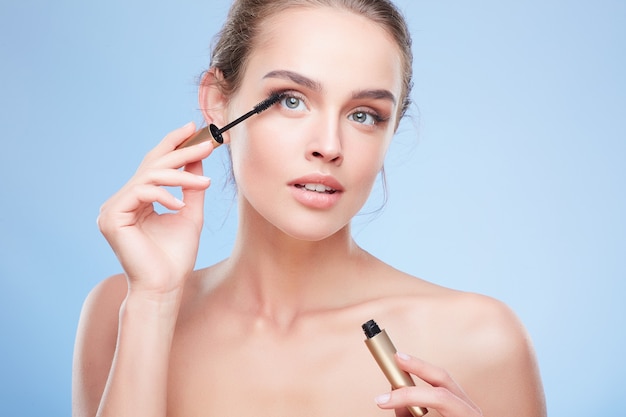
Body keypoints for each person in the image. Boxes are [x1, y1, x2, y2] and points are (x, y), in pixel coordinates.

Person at [72, 1, 547, 416]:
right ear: (218, 101)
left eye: (364, 115)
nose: (329, 146)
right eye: (291, 101)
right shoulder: (121, 311)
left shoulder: (482, 341)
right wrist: (153, 303)